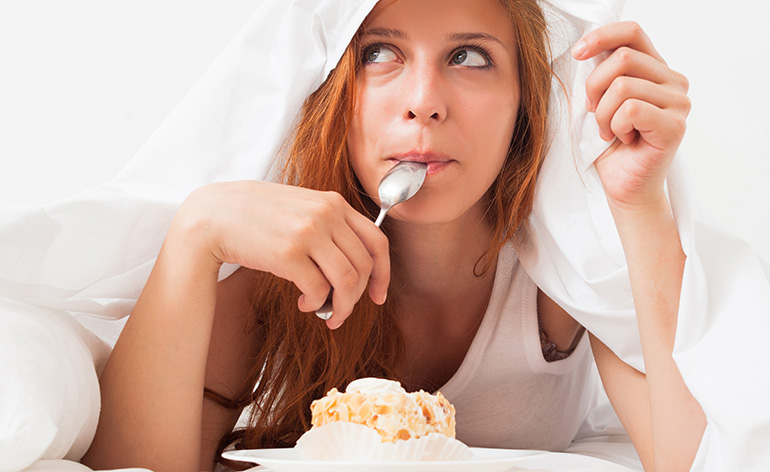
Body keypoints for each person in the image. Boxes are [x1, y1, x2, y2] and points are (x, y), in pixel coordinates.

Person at [79, 0, 701, 471]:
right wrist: (194, 234)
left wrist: (640, 202)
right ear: (332, 93)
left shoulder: (563, 272)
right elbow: (128, 468)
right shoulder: (277, 267)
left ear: (524, 105)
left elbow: (697, 460)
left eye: (469, 56)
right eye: (380, 53)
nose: (424, 102)